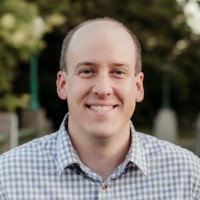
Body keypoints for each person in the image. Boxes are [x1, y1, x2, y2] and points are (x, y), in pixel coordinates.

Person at [0, 17, 199, 200]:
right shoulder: (8, 179)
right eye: (87, 71)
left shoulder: (187, 177)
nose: (103, 89)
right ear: (62, 85)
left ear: (138, 87)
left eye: (118, 72)